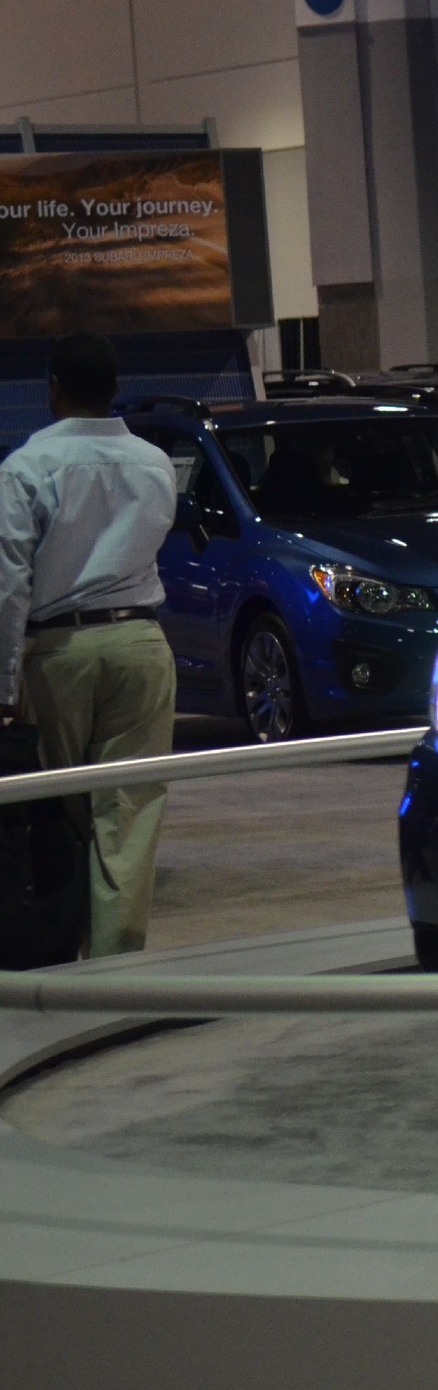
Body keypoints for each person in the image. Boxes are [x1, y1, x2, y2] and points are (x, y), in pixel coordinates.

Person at [0, 333, 178, 959]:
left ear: (52, 389)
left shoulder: (26, 467)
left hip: (59, 653)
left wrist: (4, 683)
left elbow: (9, 581)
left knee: (60, 815)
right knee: (130, 815)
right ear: (114, 389)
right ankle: (118, 970)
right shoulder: (155, 463)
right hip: (142, 643)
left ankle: (63, 962)